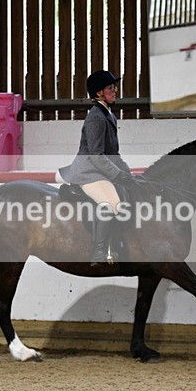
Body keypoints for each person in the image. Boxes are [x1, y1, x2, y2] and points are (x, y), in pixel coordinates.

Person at [56, 70, 136, 266]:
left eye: (114, 87)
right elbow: (96, 155)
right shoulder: (96, 117)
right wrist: (117, 175)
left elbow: (113, 153)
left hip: (99, 170)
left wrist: (127, 173)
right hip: (88, 171)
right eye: (110, 88)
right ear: (99, 93)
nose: (115, 91)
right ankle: (99, 251)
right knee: (111, 204)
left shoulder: (109, 115)